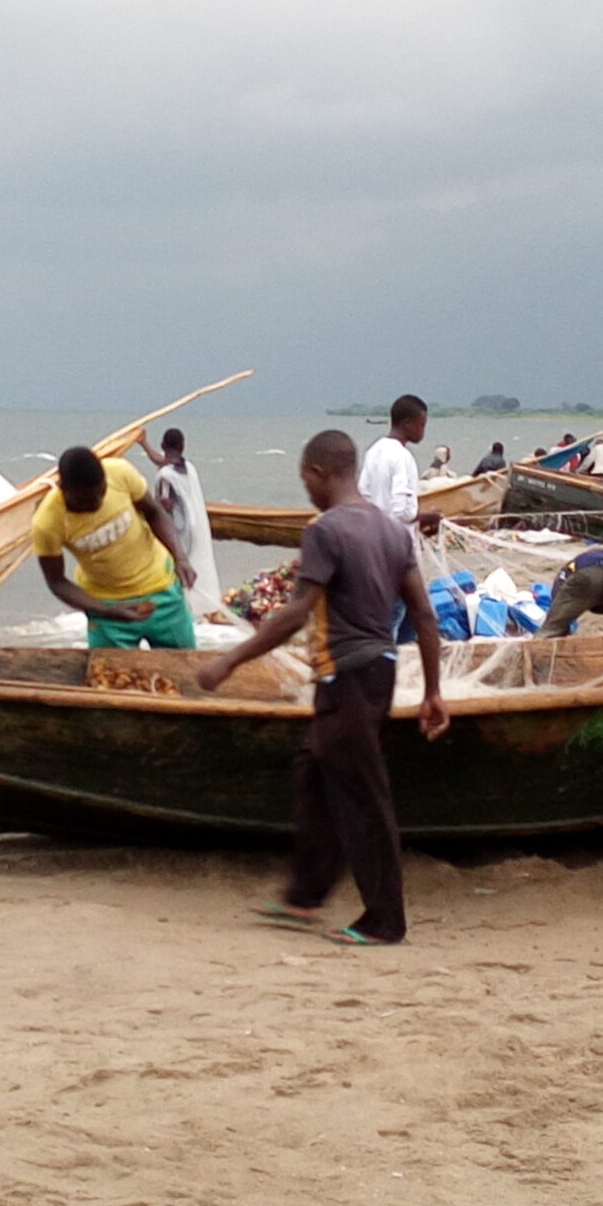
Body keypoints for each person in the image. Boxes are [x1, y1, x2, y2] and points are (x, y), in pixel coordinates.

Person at [197, 430, 448, 945]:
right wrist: (432, 692)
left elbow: (294, 613)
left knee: (363, 796)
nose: (306, 490)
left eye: (304, 480)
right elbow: (423, 615)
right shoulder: (391, 531)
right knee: (314, 775)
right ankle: (305, 896)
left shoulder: (325, 531)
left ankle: (384, 921)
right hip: (377, 671)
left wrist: (228, 662)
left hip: (347, 678)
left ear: (316, 473)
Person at [32, 447, 199, 650]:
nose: (97, 502)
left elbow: (154, 512)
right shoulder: (47, 522)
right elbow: (57, 582)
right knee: (110, 676)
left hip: (162, 590)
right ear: (64, 489)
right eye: (85, 499)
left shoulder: (119, 473)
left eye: (100, 492)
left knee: (184, 670)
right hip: (106, 607)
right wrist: (104, 610)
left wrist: (180, 557)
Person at [142, 428, 222, 615]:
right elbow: (162, 462)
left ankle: (182, 611)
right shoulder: (188, 468)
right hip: (196, 528)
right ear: (182, 446)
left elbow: (165, 507)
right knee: (196, 567)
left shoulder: (165, 477)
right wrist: (143, 443)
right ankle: (202, 609)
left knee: (177, 570)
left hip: (179, 533)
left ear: (163, 446)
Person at [360, 395, 441, 535]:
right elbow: (402, 512)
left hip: (374, 536)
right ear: (408, 423)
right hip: (397, 542)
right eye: (422, 425)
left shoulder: (373, 450)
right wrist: (429, 517)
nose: (423, 431)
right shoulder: (403, 456)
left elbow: (363, 493)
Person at [535, 547, 603, 637]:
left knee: (551, 630)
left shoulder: (576, 561)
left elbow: (559, 586)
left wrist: (559, 622)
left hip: (587, 573)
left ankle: (536, 660)